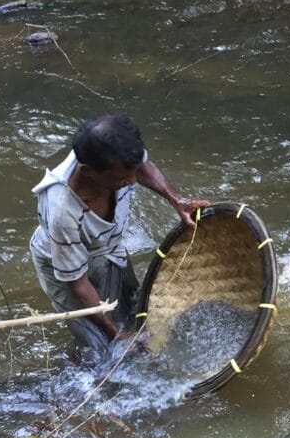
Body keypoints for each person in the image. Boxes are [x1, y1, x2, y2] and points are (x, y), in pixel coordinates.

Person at [30, 113, 208, 361]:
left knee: (137, 314)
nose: (133, 181)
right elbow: (77, 283)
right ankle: (76, 377)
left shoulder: (118, 155)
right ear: (88, 172)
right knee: (100, 349)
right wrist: (116, 334)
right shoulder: (63, 209)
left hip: (107, 245)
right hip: (65, 266)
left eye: (132, 172)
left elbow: (141, 166)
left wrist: (175, 199)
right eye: (122, 178)